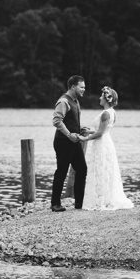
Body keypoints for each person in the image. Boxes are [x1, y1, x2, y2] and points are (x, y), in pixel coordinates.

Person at [79, 86, 133, 211]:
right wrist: (89, 131)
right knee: (106, 169)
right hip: (107, 142)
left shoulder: (105, 113)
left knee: (101, 169)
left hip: (102, 143)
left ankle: (102, 201)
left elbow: (100, 133)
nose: (99, 98)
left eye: (101, 96)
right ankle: (106, 198)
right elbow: (103, 130)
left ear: (106, 99)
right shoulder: (113, 112)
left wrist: (85, 139)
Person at [51, 75, 91, 212]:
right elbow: (56, 121)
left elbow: (71, 121)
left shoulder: (75, 101)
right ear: (73, 86)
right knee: (61, 172)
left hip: (74, 141)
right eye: (81, 87)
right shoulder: (63, 101)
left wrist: (80, 129)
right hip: (63, 142)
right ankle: (55, 204)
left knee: (82, 169)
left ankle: (79, 203)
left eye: (84, 87)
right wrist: (69, 134)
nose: (83, 90)